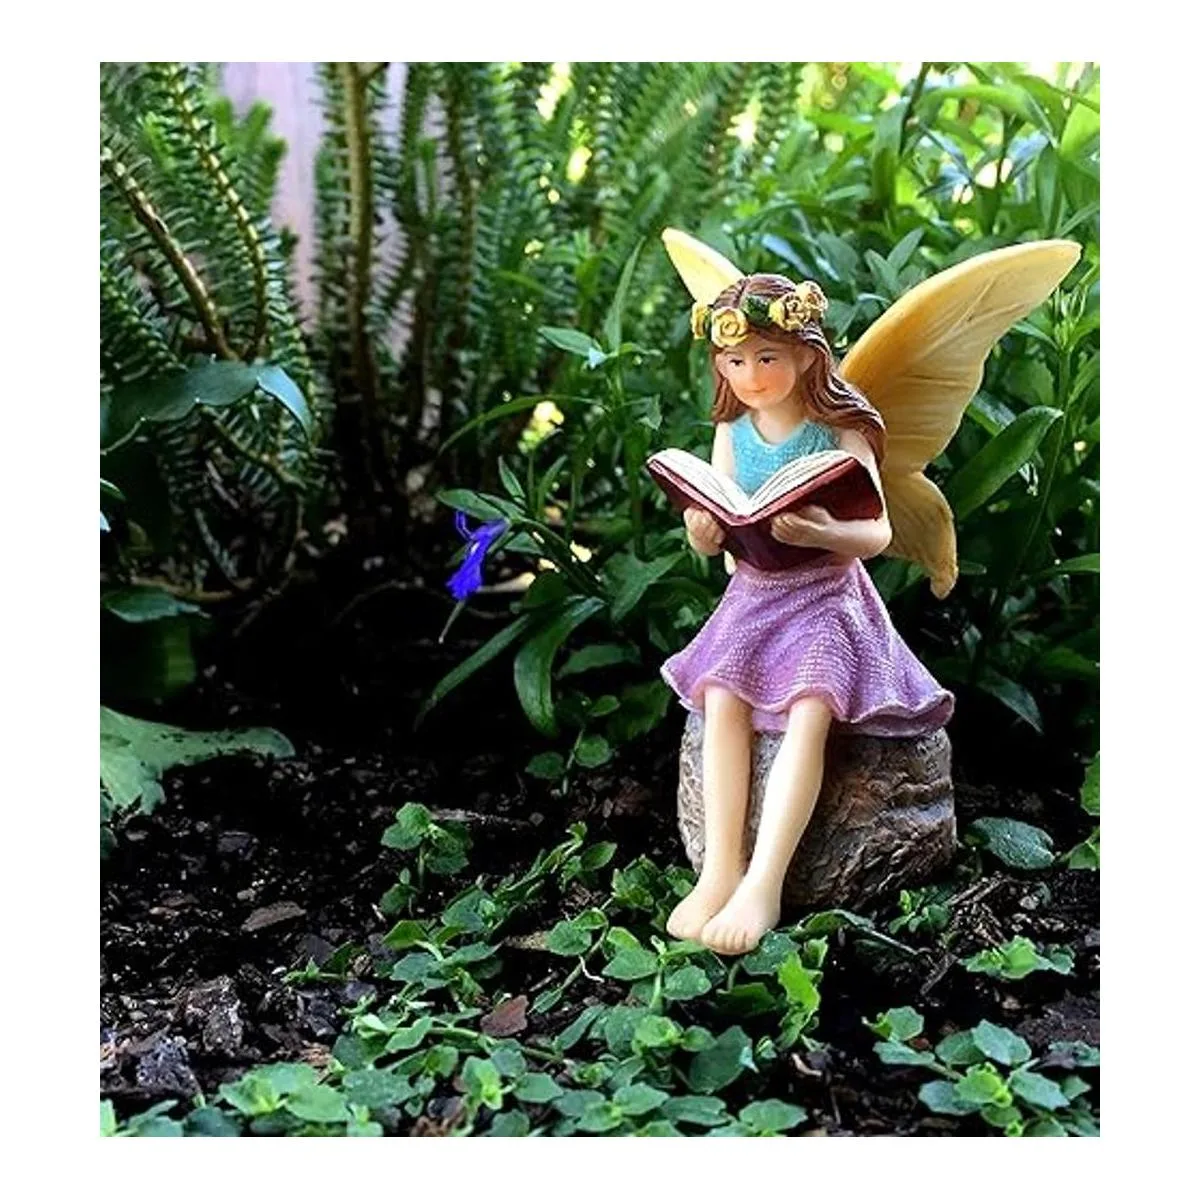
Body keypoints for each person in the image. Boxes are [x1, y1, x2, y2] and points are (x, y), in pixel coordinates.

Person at [660, 270, 953, 955]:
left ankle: (765, 881)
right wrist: (705, 532)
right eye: (735, 362)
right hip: (756, 593)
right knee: (722, 695)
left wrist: (824, 531)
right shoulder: (734, 429)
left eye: (767, 358)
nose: (752, 376)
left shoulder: (840, 429)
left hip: (827, 596)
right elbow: (724, 518)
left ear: (805, 355)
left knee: (811, 704)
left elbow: (877, 533)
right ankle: (720, 869)